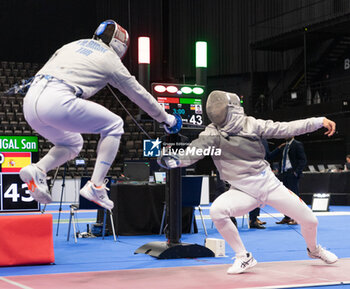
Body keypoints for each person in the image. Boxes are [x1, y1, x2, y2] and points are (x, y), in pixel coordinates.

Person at [161, 90, 338, 274]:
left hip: (269, 186)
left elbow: (285, 128)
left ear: (231, 109)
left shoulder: (251, 124)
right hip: (242, 191)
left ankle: (314, 250)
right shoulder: (212, 133)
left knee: (311, 221)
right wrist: (177, 159)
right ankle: (243, 256)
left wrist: (318, 121)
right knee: (217, 211)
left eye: (220, 107)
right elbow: (195, 150)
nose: (216, 110)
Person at [19, 20, 180, 210]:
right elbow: (139, 95)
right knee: (114, 124)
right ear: (120, 44)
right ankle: (96, 185)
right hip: (57, 100)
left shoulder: (72, 45)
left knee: (73, 143)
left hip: (30, 103)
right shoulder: (109, 59)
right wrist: (166, 118)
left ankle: (37, 169)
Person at [275, 136, 307, 225]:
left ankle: (297, 218)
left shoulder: (297, 144)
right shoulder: (284, 146)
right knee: (285, 197)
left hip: (292, 173)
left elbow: (303, 160)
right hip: (284, 174)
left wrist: (296, 172)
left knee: (294, 197)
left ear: (292, 134)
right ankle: (287, 217)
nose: (285, 135)